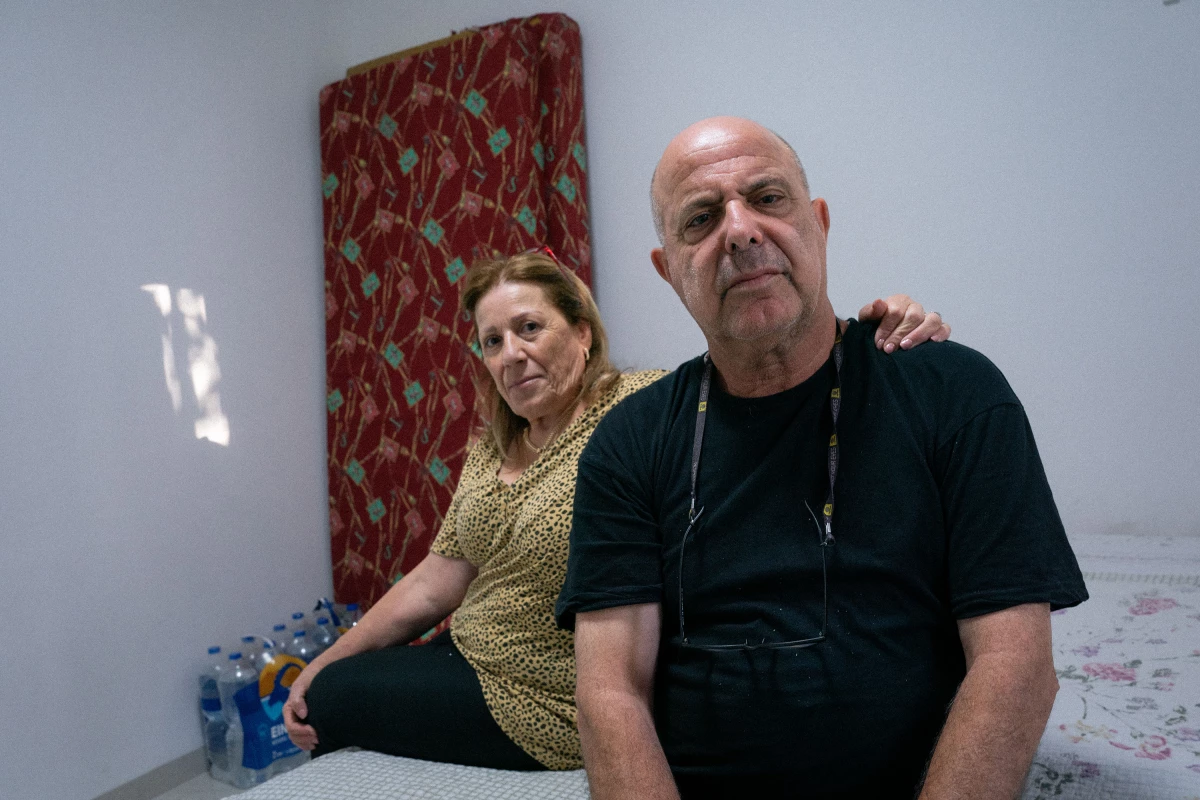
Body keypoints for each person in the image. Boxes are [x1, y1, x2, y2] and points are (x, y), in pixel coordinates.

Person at [556, 117, 1088, 799]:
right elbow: (610, 689)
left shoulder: (954, 393)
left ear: (820, 223)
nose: (742, 231)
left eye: (769, 198)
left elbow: (1015, 663)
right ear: (668, 269)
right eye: (700, 218)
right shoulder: (628, 442)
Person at [283, 249, 951, 771]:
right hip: (469, 649)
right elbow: (439, 576)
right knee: (328, 681)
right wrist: (324, 657)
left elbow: (775, 396)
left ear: (580, 333)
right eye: (492, 342)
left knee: (332, 705)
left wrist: (870, 335)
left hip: (544, 695)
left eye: (528, 328)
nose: (511, 355)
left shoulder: (642, 412)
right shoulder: (492, 447)